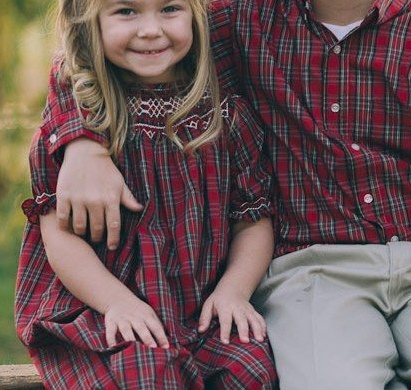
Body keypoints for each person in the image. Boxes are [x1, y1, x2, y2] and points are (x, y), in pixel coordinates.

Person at [47, 0, 411, 389]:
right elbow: (101, 49)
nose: (152, 25)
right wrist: (81, 141)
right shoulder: (241, 21)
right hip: (314, 270)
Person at [14, 0, 278, 388]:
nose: (151, 29)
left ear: (198, 15)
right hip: (104, 304)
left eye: (170, 8)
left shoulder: (225, 116)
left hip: (202, 308)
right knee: (147, 375)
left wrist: (233, 292)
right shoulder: (86, 123)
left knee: (251, 370)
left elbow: (253, 220)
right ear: (89, 22)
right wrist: (115, 302)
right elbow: (59, 235)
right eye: (126, 11)